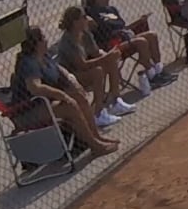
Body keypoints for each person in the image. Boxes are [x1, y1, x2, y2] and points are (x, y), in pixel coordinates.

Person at [11, 27, 117, 156]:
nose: (46, 40)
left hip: (45, 103)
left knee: (79, 97)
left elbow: (59, 70)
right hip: (28, 110)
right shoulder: (28, 62)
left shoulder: (44, 56)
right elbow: (35, 88)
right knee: (70, 107)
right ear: (36, 43)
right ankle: (94, 146)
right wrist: (62, 95)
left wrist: (73, 83)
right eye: (43, 38)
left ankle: (97, 137)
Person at [85, 0, 172, 92]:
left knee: (152, 35)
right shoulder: (91, 12)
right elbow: (81, 16)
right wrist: (87, 17)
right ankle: (152, 76)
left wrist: (139, 21)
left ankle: (159, 71)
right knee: (141, 42)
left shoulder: (112, 9)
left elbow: (124, 28)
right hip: (112, 45)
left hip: (125, 37)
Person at [54, 7, 135, 126]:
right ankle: (98, 113)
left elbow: (96, 53)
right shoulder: (67, 41)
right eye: (83, 17)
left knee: (110, 61)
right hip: (70, 77)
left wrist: (108, 55)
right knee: (97, 72)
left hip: (83, 70)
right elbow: (82, 65)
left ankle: (116, 101)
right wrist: (107, 57)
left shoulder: (85, 33)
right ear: (75, 22)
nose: (87, 19)